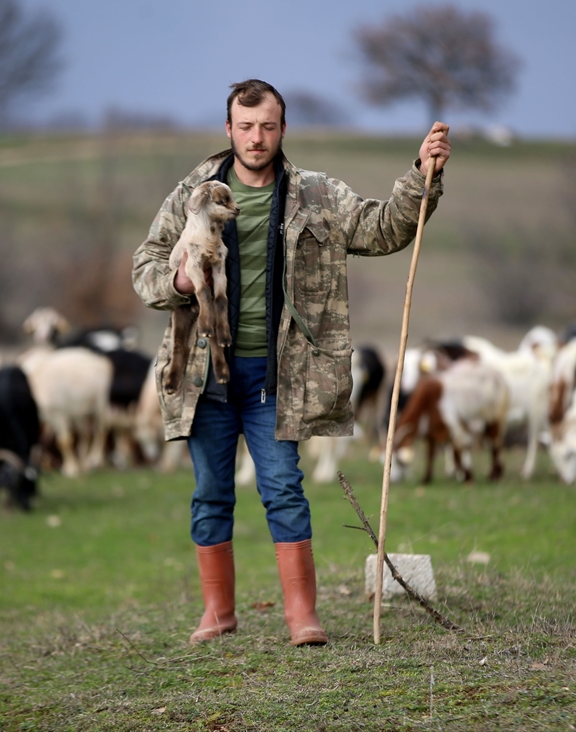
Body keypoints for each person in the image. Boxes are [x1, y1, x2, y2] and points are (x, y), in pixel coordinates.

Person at [132, 79, 451, 646]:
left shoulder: (316, 194)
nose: (256, 138)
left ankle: (302, 616)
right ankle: (217, 613)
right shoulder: (191, 196)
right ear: (229, 129)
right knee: (211, 493)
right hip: (204, 374)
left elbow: (384, 229)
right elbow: (145, 267)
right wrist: (179, 280)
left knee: (282, 488)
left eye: (267, 126)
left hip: (277, 375)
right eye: (245, 127)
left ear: (283, 129)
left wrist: (421, 175)